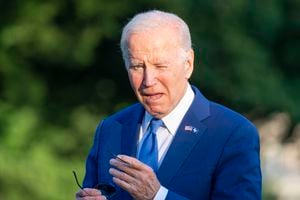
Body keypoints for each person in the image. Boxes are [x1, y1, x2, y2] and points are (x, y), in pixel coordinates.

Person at [75, 10, 261, 200]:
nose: (148, 80)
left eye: (160, 66)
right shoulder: (111, 128)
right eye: (137, 67)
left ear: (188, 64)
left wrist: (158, 196)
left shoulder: (232, 133)